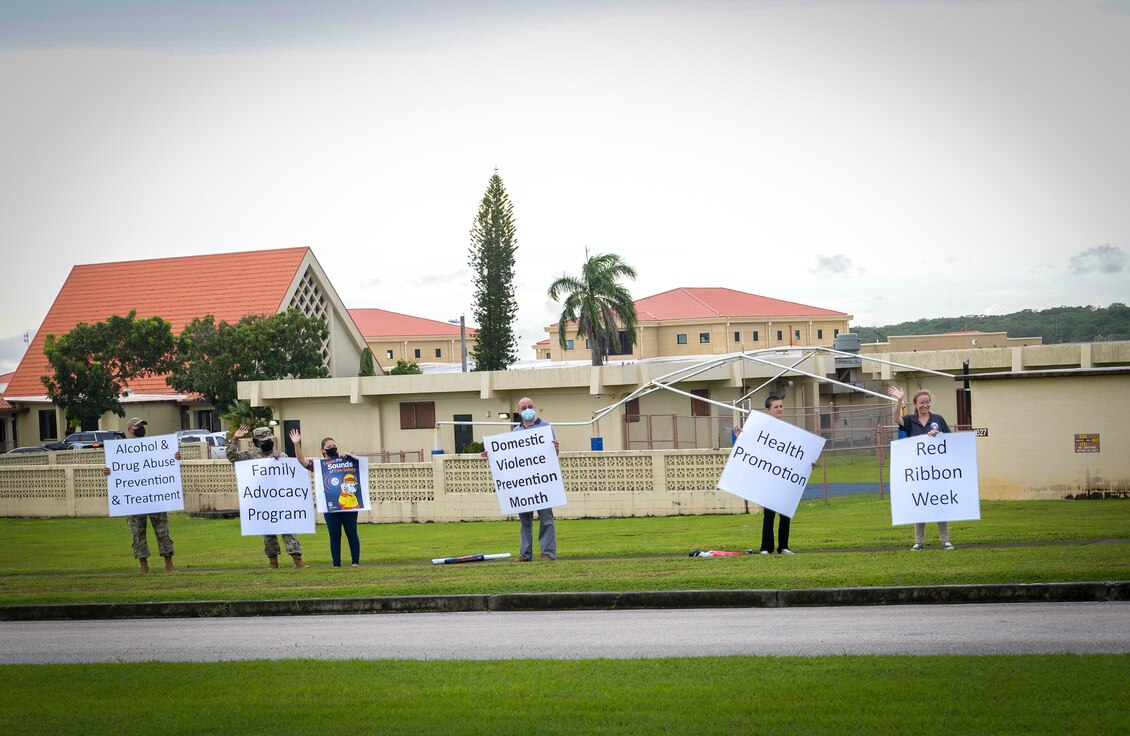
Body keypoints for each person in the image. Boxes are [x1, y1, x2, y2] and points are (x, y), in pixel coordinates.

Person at [227, 424, 309, 568]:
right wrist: (235, 439)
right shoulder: (250, 457)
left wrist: (279, 460)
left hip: (281, 500)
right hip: (262, 502)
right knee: (268, 533)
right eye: (264, 441)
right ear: (257, 443)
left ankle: (298, 561)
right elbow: (231, 456)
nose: (267, 443)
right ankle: (273, 563)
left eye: (269, 440)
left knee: (289, 530)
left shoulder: (281, 455)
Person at [104, 417, 179, 573]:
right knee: (137, 533)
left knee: (163, 532)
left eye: (142, 426)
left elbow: (165, 465)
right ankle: (144, 567)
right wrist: (108, 472)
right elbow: (116, 470)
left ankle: (169, 565)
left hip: (155, 497)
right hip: (134, 500)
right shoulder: (120, 450)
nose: (141, 428)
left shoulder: (154, 448)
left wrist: (175, 458)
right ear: (130, 429)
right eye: (138, 426)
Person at [888, 385, 955, 551]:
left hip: (938, 472)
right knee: (921, 504)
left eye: (927, 402)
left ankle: (945, 540)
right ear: (915, 404)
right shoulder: (910, 420)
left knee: (940, 504)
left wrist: (938, 435)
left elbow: (950, 440)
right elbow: (896, 418)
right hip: (918, 472)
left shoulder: (938, 419)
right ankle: (919, 541)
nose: (925, 405)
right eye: (921, 403)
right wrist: (899, 400)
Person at [290, 428, 361, 567]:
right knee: (334, 535)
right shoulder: (319, 465)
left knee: (352, 532)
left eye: (334, 446)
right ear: (323, 450)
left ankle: (355, 562)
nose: (333, 448)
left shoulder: (344, 460)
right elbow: (302, 460)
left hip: (349, 505)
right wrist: (296, 444)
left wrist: (350, 454)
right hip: (330, 505)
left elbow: (360, 462)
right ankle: (336, 563)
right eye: (329, 447)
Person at [735, 396, 794, 555]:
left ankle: (784, 547)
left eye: (781, 406)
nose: (780, 409)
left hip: (785, 477)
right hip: (769, 477)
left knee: (785, 514)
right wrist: (740, 437)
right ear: (768, 410)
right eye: (776, 407)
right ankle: (766, 547)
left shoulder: (789, 430)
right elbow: (750, 446)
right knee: (769, 515)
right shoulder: (762, 428)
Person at [510, 396, 560, 561]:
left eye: (530, 406)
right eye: (523, 407)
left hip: (542, 481)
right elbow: (510, 458)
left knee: (546, 518)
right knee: (525, 520)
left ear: (535, 408)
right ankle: (525, 555)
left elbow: (553, 455)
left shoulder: (546, 427)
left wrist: (555, 449)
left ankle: (548, 553)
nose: (527, 409)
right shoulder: (516, 432)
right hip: (523, 483)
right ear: (518, 412)